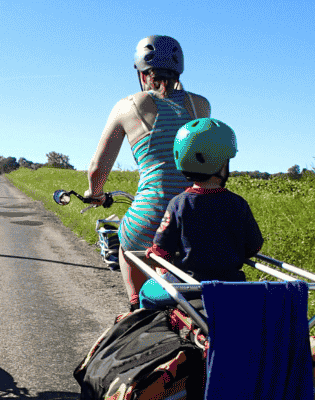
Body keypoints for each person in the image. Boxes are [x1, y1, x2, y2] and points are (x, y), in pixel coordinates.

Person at [82, 35, 211, 308]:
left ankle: (135, 308)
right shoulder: (201, 105)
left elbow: (96, 169)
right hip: (198, 213)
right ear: (179, 71)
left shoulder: (127, 106)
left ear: (140, 73)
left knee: (127, 243)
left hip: (151, 214)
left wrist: (95, 194)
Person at [150, 118, 263, 282]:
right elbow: (254, 247)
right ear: (222, 164)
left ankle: (135, 305)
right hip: (234, 287)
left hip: (190, 287)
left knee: (147, 293)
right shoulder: (238, 204)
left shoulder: (178, 204)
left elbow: (161, 249)